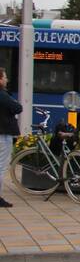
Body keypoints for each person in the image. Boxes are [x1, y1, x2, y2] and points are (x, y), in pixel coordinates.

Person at [0, 68, 22, 208]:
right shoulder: (2, 95)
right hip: (3, 135)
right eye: (5, 77)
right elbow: (17, 107)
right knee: (1, 166)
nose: (7, 79)